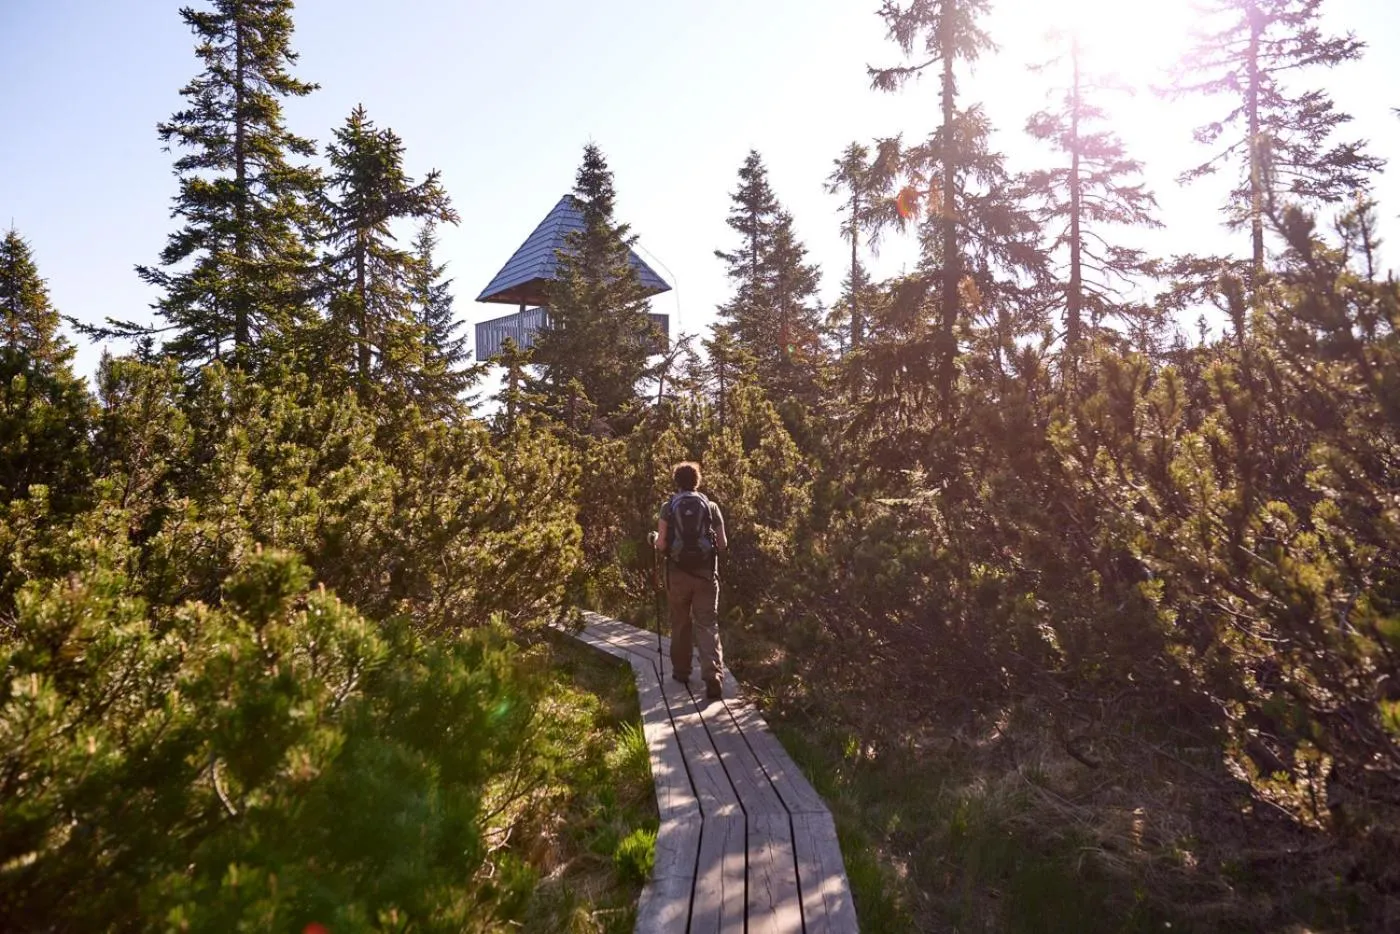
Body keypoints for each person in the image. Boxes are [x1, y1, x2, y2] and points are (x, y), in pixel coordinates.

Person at [654, 461, 729, 700]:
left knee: (680, 622)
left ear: (676, 481)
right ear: (697, 480)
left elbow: (662, 544)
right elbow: (723, 543)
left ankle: (681, 671)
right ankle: (713, 676)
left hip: (677, 575)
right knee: (707, 623)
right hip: (706, 575)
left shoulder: (668, 507)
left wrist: (653, 538)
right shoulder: (711, 506)